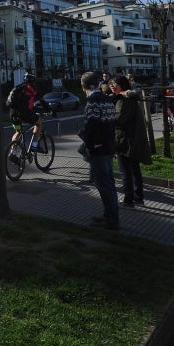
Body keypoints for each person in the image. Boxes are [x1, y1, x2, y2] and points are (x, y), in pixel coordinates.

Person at [79, 71, 118, 229]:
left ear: (83, 87)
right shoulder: (107, 99)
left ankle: (111, 220)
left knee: (103, 185)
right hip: (109, 146)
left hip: (99, 149)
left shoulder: (92, 101)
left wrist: (90, 146)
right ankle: (109, 214)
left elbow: (92, 126)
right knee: (109, 183)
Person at [110, 75, 152, 207]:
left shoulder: (124, 100)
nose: (112, 87)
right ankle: (139, 198)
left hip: (125, 140)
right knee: (134, 170)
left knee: (125, 171)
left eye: (114, 84)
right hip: (132, 138)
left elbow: (119, 120)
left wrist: (107, 119)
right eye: (110, 84)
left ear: (122, 85)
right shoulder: (129, 97)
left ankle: (129, 199)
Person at [8, 72, 48, 162]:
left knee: (18, 132)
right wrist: (49, 109)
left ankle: (13, 152)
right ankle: (34, 145)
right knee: (38, 123)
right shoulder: (34, 89)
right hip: (24, 114)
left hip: (13, 114)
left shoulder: (17, 88)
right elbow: (43, 102)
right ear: (33, 81)